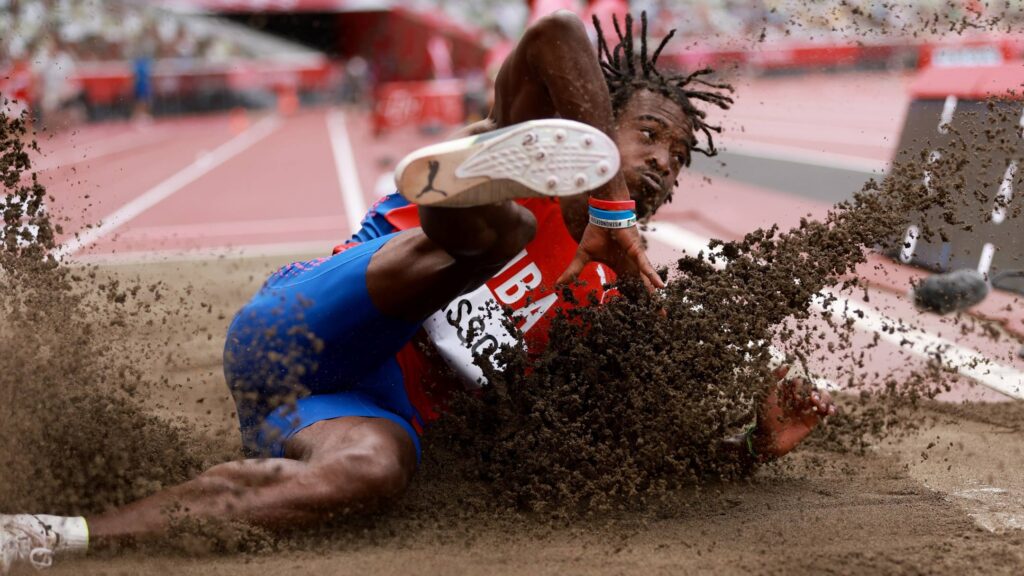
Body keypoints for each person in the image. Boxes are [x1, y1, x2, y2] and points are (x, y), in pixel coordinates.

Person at [0, 11, 835, 573]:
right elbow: (551, 37)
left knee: (377, 472)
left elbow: (626, 462)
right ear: (587, 126)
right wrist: (603, 199)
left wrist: (751, 447)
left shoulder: (611, 312)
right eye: (646, 135)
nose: (663, 161)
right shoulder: (544, 165)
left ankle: (50, 538)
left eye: (676, 160)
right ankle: (460, 202)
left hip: (332, 415)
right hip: (307, 329)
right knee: (505, 225)